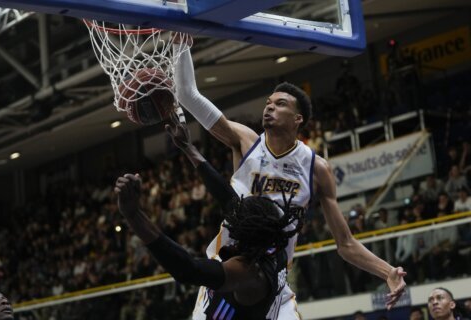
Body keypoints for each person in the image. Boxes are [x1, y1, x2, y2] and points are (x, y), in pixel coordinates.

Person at [172, 38, 406, 318]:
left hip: (273, 278)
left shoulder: (316, 168)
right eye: (268, 103)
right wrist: (179, 40)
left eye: (280, 104)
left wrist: (388, 271)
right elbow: (187, 94)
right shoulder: (245, 141)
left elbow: (345, 244)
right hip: (227, 270)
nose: (269, 108)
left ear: (298, 119)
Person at [115, 115, 304, 319]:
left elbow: (187, 269)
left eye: (239, 216)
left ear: (246, 231)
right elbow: (226, 197)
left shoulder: (248, 273)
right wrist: (188, 147)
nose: (235, 212)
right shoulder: (271, 245)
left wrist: (133, 215)